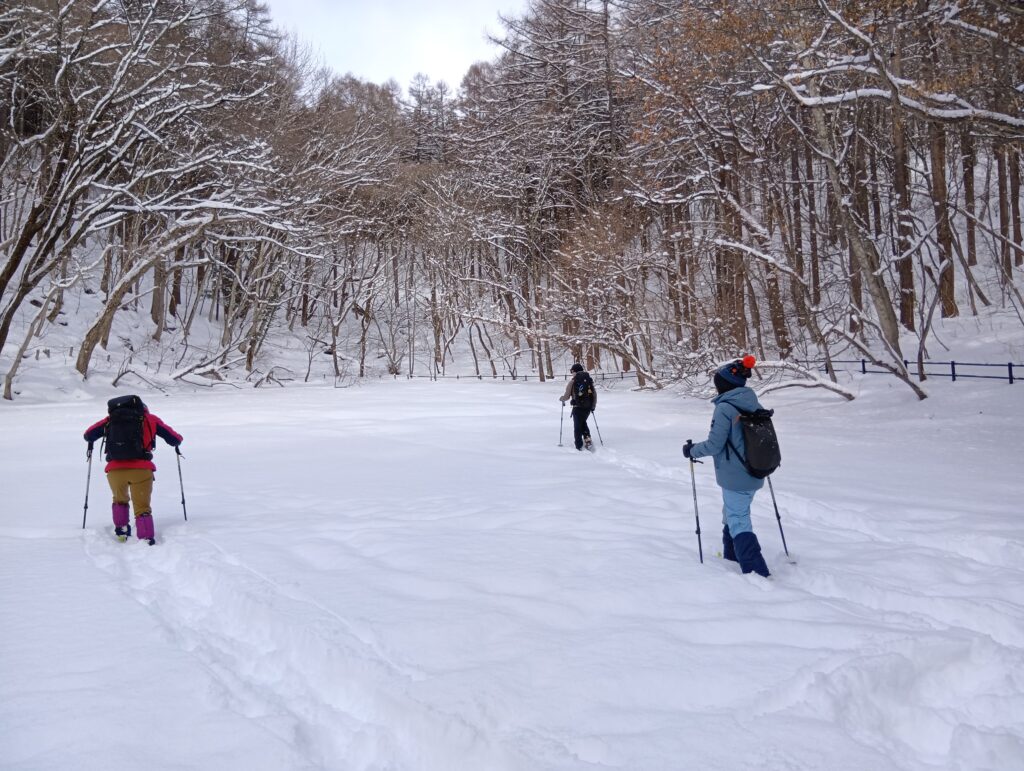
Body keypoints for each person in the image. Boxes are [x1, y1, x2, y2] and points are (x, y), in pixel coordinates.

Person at [683, 356, 770, 577]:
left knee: (738, 518)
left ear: (725, 384)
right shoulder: (751, 401)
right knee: (731, 513)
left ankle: (756, 571)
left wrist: (691, 451)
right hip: (754, 470)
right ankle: (732, 555)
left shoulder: (725, 408)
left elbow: (714, 444)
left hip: (736, 475)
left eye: (718, 381)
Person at [84, 395, 183, 545]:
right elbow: (174, 439)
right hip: (141, 470)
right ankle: (145, 539)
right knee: (142, 507)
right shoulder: (150, 419)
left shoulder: (110, 420)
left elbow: (88, 435)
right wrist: (177, 442)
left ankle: (122, 531)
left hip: (115, 471)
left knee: (119, 500)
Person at [559, 362, 597, 451]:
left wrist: (561, 399)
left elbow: (567, 396)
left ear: (574, 371)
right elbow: (594, 394)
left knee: (577, 426)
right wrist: (593, 406)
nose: (572, 373)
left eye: (572, 371)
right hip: (588, 407)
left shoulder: (573, 381)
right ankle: (587, 439)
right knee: (583, 422)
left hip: (577, 407)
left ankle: (578, 445)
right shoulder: (588, 380)